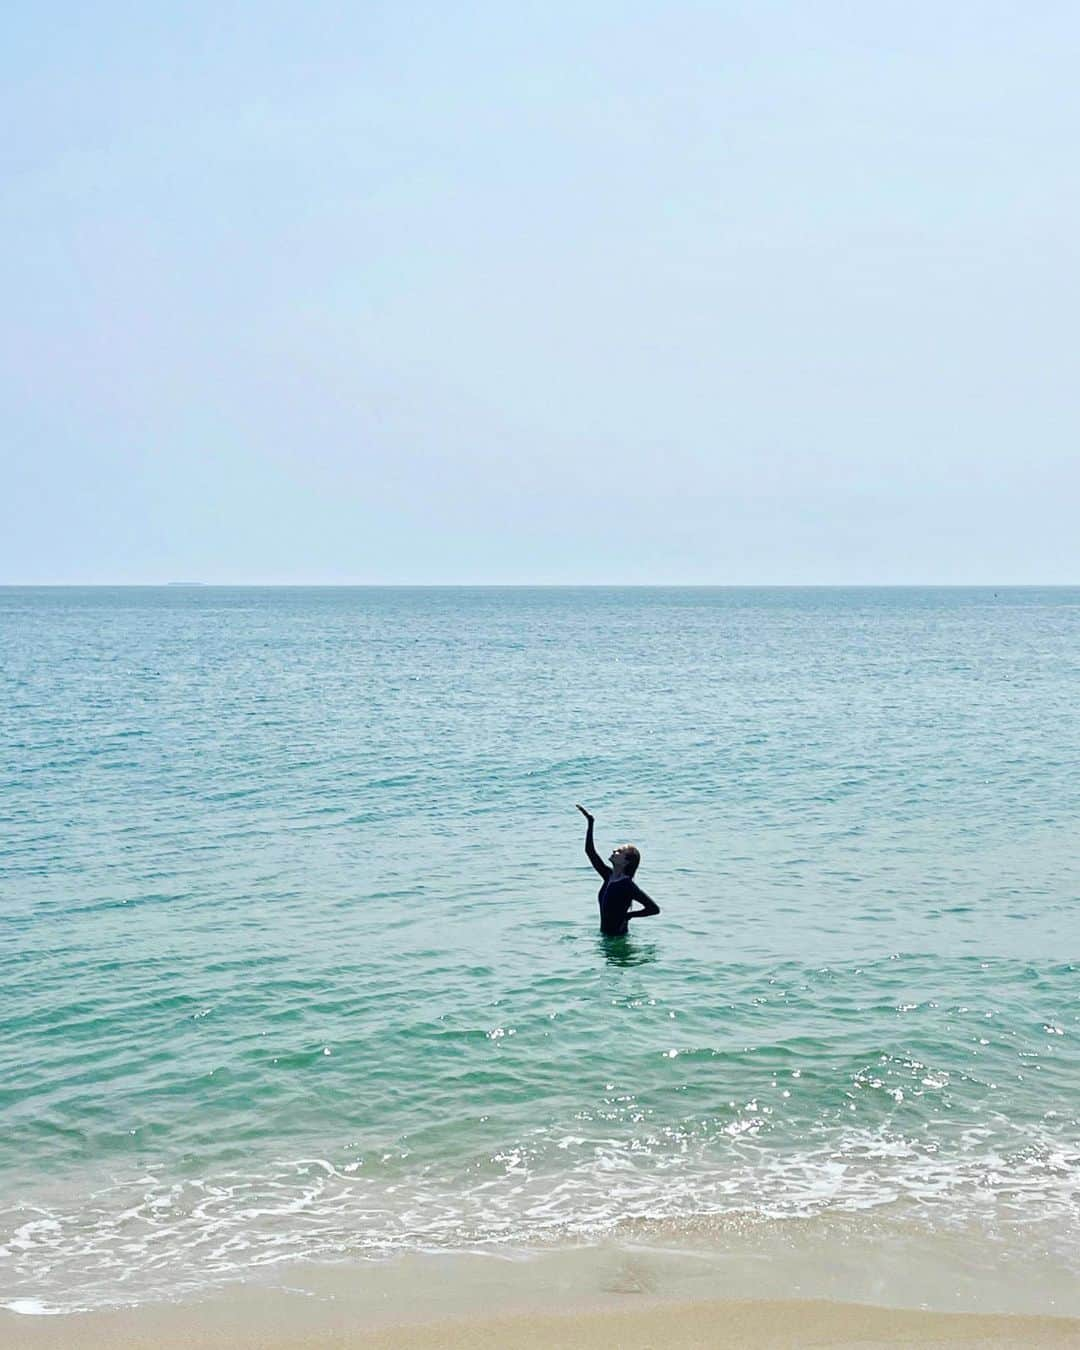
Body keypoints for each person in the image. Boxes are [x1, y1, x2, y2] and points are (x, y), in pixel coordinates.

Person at [576, 805, 660, 936]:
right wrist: (590, 823)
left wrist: (629, 915)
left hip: (618, 939)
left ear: (626, 862)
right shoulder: (608, 876)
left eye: (619, 852)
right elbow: (590, 852)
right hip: (607, 938)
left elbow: (654, 909)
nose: (614, 851)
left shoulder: (627, 885)